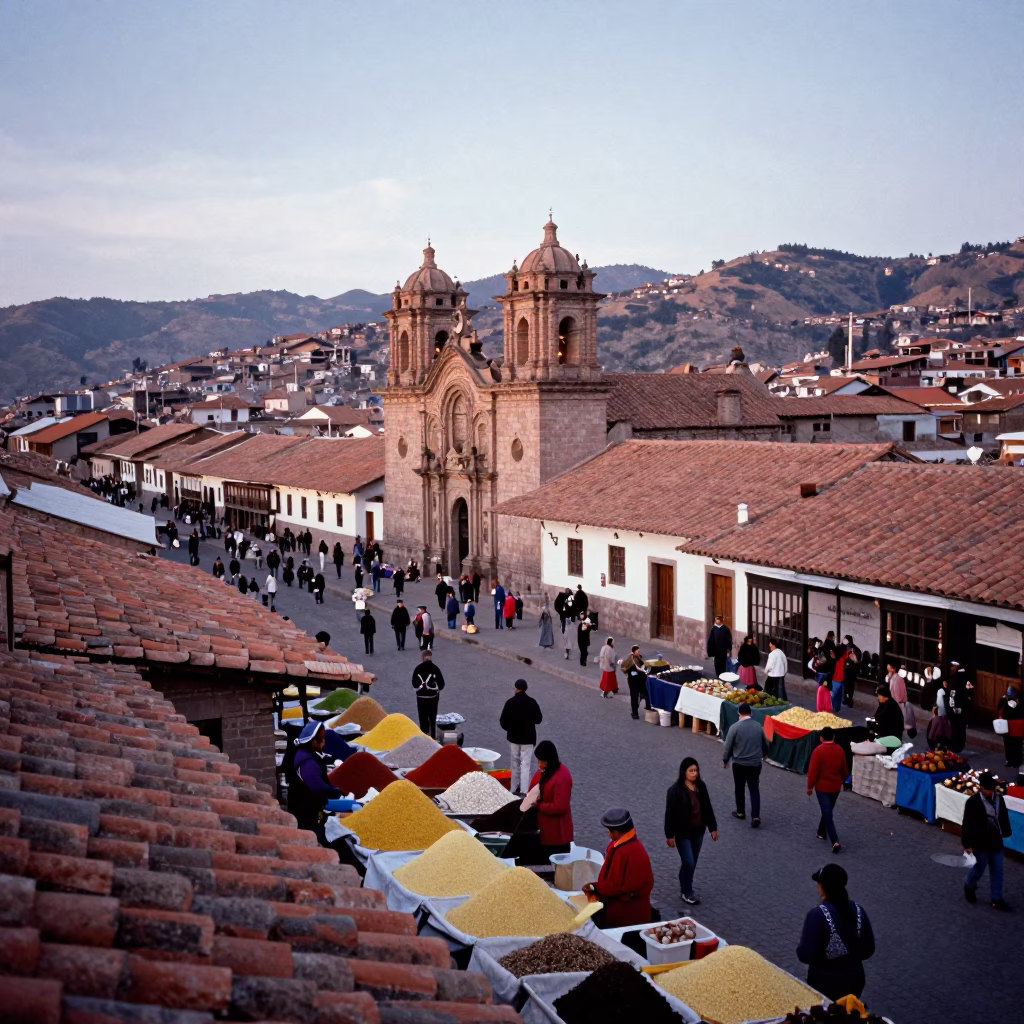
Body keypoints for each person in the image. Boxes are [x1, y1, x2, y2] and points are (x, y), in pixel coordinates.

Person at [797, 864, 875, 1001]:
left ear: (821, 887)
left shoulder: (817, 915)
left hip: (824, 984)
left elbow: (804, 955)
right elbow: (868, 949)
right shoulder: (858, 910)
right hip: (855, 981)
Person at [583, 808, 654, 928]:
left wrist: (595, 887)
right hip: (622, 910)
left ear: (617, 832)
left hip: (627, 916)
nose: (608, 834)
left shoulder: (628, 852)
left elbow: (619, 886)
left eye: (609, 831)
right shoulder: (620, 844)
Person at [664, 757, 719, 905]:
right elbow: (670, 814)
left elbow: (707, 808)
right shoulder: (674, 791)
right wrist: (669, 835)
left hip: (698, 832)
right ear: (684, 772)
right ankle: (687, 891)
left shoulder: (701, 787)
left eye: (696, 770)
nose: (694, 773)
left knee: (692, 862)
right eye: (691, 771)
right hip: (683, 833)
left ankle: (685, 880)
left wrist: (712, 827)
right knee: (688, 861)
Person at [962, 771, 1012, 910]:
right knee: (979, 869)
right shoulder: (972, 802)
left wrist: (1006, 831)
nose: (991, 791)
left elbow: (1003, 816)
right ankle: (969, 885)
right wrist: (967, 844)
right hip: (980, 843)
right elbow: (967, 824)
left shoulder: (999, 799)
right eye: (988, 789)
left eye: (992, 788)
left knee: (997, 870)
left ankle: (997, 898)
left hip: (996, 842)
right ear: (981, 788)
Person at [288, 721, 342, 842]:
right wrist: (337, 792)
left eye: (324, 738)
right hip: (306, 811)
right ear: (311, 741)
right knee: (315, 837)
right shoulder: (308, 763)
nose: (324, 742)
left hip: (307, 807)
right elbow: (318, 788)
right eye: (320, 739)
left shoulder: (306, 753)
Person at [722, 702, 768, 827]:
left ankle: (741, 812)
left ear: (739, 714)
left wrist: (725, 760)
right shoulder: (758, 726)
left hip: (739, 763)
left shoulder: (734, 727)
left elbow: (728, 746)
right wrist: (765, 754)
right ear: (751, 713)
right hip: (755, 763)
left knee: (739, 788)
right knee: (754, 789)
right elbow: (765, 743)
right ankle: (756, 816)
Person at [527, 740, 574, 858]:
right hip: (543, 832)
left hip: (557, 837)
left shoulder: (562, 778)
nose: (539, 764)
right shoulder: (545, 770)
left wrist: (538, 806)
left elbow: (559, 807)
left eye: (542, 761)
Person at [807, 726, 848, 854]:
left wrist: (809, 786)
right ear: (833, 737)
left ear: (821, 738)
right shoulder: (840, 750)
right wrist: (845, 781)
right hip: (835, 787)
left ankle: (834, 840)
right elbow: (844, 769)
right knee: (828, 810)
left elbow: (813, 772)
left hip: (822, 787)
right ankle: (821, 831)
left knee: (827, 812)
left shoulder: (818, 751)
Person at [499, 679, 543, 795]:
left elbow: (503, 721)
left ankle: (513, 789)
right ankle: (524, 790)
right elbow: (538, 719)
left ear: (516, 688)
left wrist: (509, 729)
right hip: (528, 739)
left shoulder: (510, 702)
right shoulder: (532, 702)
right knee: (525, 764)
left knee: (514, 762)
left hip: (514, 738)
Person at [411, 650, 445, 739]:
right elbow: (442, 685)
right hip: (433, 697)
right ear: (431, 657)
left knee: (422, 717)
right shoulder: (435, 668)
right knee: (432, 716)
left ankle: (424, 736)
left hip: (421, 697)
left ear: (423, 657)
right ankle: (433, 736)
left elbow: (414, 684)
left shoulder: (417, 668)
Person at [996, 685, 1023, 777]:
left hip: (1016, 727)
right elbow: (999, 708)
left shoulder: (1019, 703)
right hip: (1006, 726)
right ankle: (1009, 760)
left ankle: (1016, 761)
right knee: (1008, 744)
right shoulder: (1004, 701)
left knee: (1016, 745)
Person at [947, 662, 974, 753]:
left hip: (956, 709)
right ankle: (960, 744)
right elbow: (970, 691)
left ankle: (955, 745)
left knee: (955, 728)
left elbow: (952, 695)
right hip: (964, 708)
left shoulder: (955, 679)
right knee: (962, 728)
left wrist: (952, 708)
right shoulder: (967, 678)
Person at [620, 645, 649, 719]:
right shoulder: (631, 659)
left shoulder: (638, 657)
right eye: (638, 651)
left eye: (639, 651)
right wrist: (644, 671)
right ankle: (634, 712)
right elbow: (637, 668)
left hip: (640, 679)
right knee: (634, 697)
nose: (639, 652)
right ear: (633, 652)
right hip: (633, 681)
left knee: (645, 693)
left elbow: (642, 665)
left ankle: (648, 709)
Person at [842, 635, 861, 707]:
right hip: (845, 670)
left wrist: (855, 660)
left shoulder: (855, 650)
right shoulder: (844, 648)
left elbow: (858, 662)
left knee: (850, 686)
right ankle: (845, 699)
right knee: (846, 686)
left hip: (852, 671)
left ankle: (849, 700)